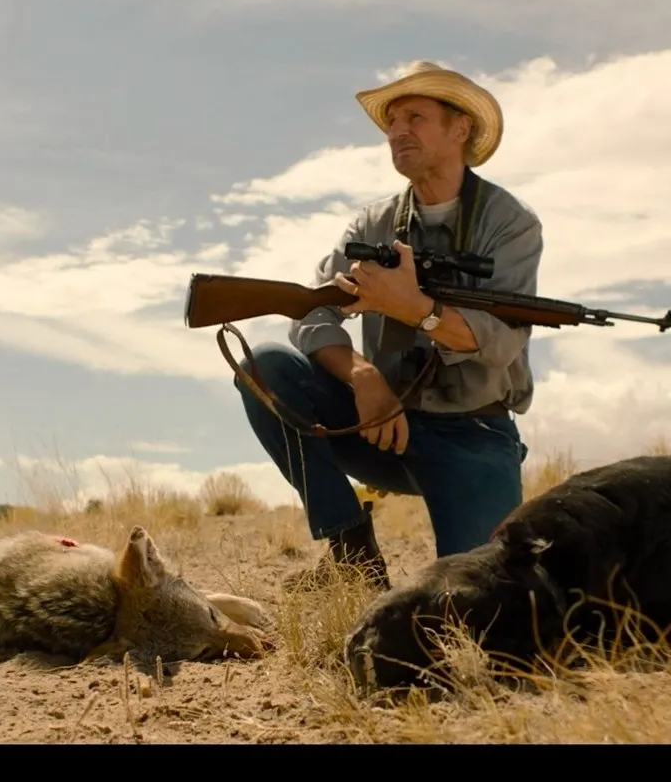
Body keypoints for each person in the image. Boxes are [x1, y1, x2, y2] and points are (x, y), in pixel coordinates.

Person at [233, 60, 543, 593]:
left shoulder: (510, 223)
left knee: (474, 598)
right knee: (265, 367)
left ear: (460, 128)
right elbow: (313, 311)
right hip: (380, 425)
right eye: (392, 122)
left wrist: (415, 308)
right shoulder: (371, 223)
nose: (397, 131)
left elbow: (499, 343)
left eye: (414, 117)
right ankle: (350, 546)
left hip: (473, 435)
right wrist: (361, 375)